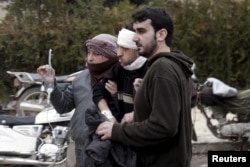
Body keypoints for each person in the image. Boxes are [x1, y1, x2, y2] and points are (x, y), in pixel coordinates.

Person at [96, 7, 194, 167]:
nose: (134, 38)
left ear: (161, 34)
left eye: (141, 31)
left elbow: (163, 127)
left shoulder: (162, 69)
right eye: (135, 32)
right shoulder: (171, 66)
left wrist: (116, 130)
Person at [37, 33, 118, 167]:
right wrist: (51, 83)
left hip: (105, 148)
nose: (90, 58)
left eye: (97, 54)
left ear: (111, 55)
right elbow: (63, 107)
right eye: (89, 53)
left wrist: (116, 95)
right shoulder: (81, 78)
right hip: (77, 145)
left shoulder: (120, 78)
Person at [93, 25, 148, 123]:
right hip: (124, 134)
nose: (119, 53)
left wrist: (136, 114)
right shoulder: (119, 68)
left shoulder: (152, 69)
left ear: (138, 49)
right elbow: (98, 91)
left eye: (125, 48)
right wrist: (109, 116)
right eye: (118, 47)